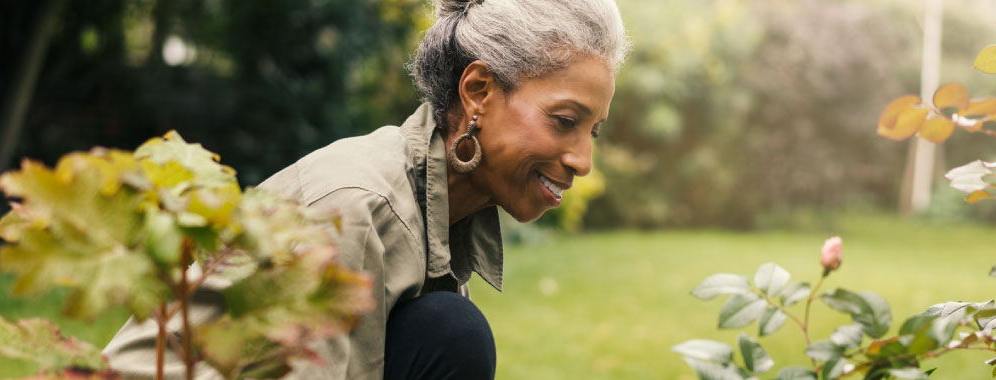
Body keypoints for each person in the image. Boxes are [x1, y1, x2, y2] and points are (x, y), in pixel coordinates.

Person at [101, 0, 629, 378]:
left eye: (594, 131)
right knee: (451, 332)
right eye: (564, 120)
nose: (583, 160)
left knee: (445, 333)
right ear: (478, 92)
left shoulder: (442, 208)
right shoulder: (359, 206)